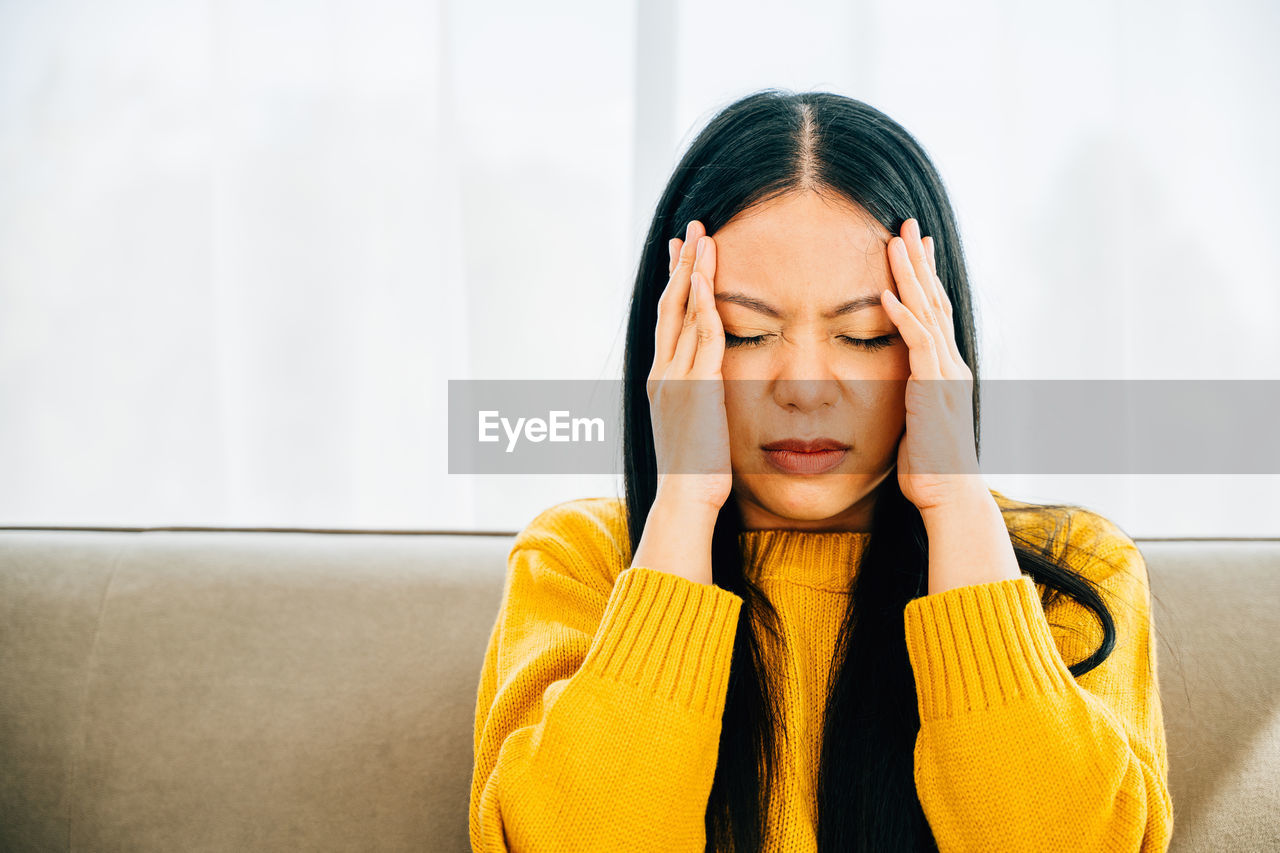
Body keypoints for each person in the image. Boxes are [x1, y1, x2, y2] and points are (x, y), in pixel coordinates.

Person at [469, 89, 1174, 853]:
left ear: (935, 341)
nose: (805, 385)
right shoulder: (579, 561)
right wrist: (683, 507)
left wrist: (955, 503)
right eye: (744, 332)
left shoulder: (1076, 569)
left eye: (866, 336)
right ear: (668, 341)